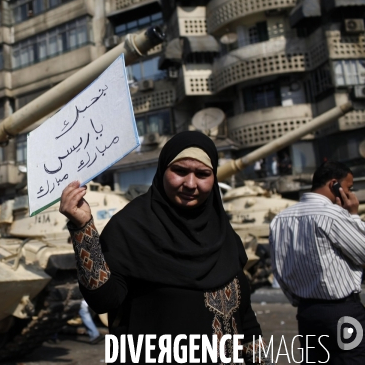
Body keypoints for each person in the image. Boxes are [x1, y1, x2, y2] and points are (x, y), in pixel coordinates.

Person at [59, 131, 270, 364]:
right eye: (180, 171)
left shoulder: (224, 234)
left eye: (202, 174)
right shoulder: (130, 228)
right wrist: (83, 228)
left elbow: (246, 317)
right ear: (162, 171)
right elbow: (103, 300)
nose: (190, 184)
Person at [269, 161, 365, 363]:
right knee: (353, 360)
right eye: (348, 188)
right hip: (343, 311)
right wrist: (354, 215)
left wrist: (300, 301)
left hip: (307, 313)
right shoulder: (333, 214)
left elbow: (279, 269)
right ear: (334, 185)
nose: (350, 193)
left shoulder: (280, 219)